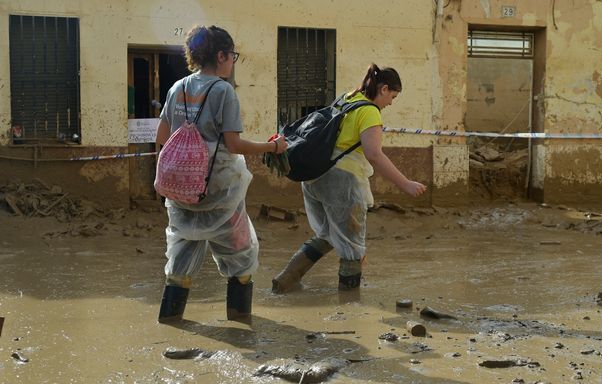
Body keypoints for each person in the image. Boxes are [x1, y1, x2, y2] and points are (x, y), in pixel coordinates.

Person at [156, 25, 287, 323]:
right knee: (240, 253)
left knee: (179, 258)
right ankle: (239, 324)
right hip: (218, 191)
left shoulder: (177, 87)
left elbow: (162, 135)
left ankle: (171, 321)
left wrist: (166, 178)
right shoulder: (223, 91)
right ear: (221, 55)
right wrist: (272, 147)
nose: (233, 62)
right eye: (233, 56)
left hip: (181, 190)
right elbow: (234, 144)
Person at [272, 63, 426, 293]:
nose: (391, 103)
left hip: (315, 177)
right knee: (353, 247)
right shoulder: (370, 111)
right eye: (392, 96)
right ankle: (350, 304)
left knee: (328, 234)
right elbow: (374, 154)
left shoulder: (348, 98)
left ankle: (286, 281)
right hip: (342, 183)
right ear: (384, 89)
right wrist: (406, 184)